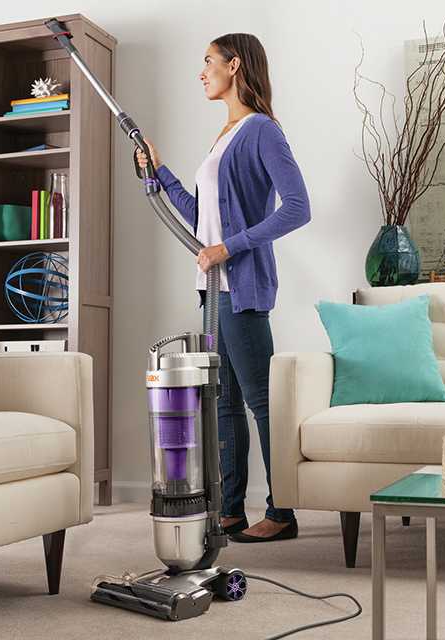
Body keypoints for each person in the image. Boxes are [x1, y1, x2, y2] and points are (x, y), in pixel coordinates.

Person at [136, 33, 311, 543]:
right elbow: (201, 221)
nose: (202, 71)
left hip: (241, 286)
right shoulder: (224, 135)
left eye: (208, 61)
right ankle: (231, 509)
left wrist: (229, 249)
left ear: (234, 66)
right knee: (224, 402)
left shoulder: (261, 131)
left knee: (261, 401)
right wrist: (160, 171)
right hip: (212, 289)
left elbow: (298, 208)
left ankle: (282, 512)